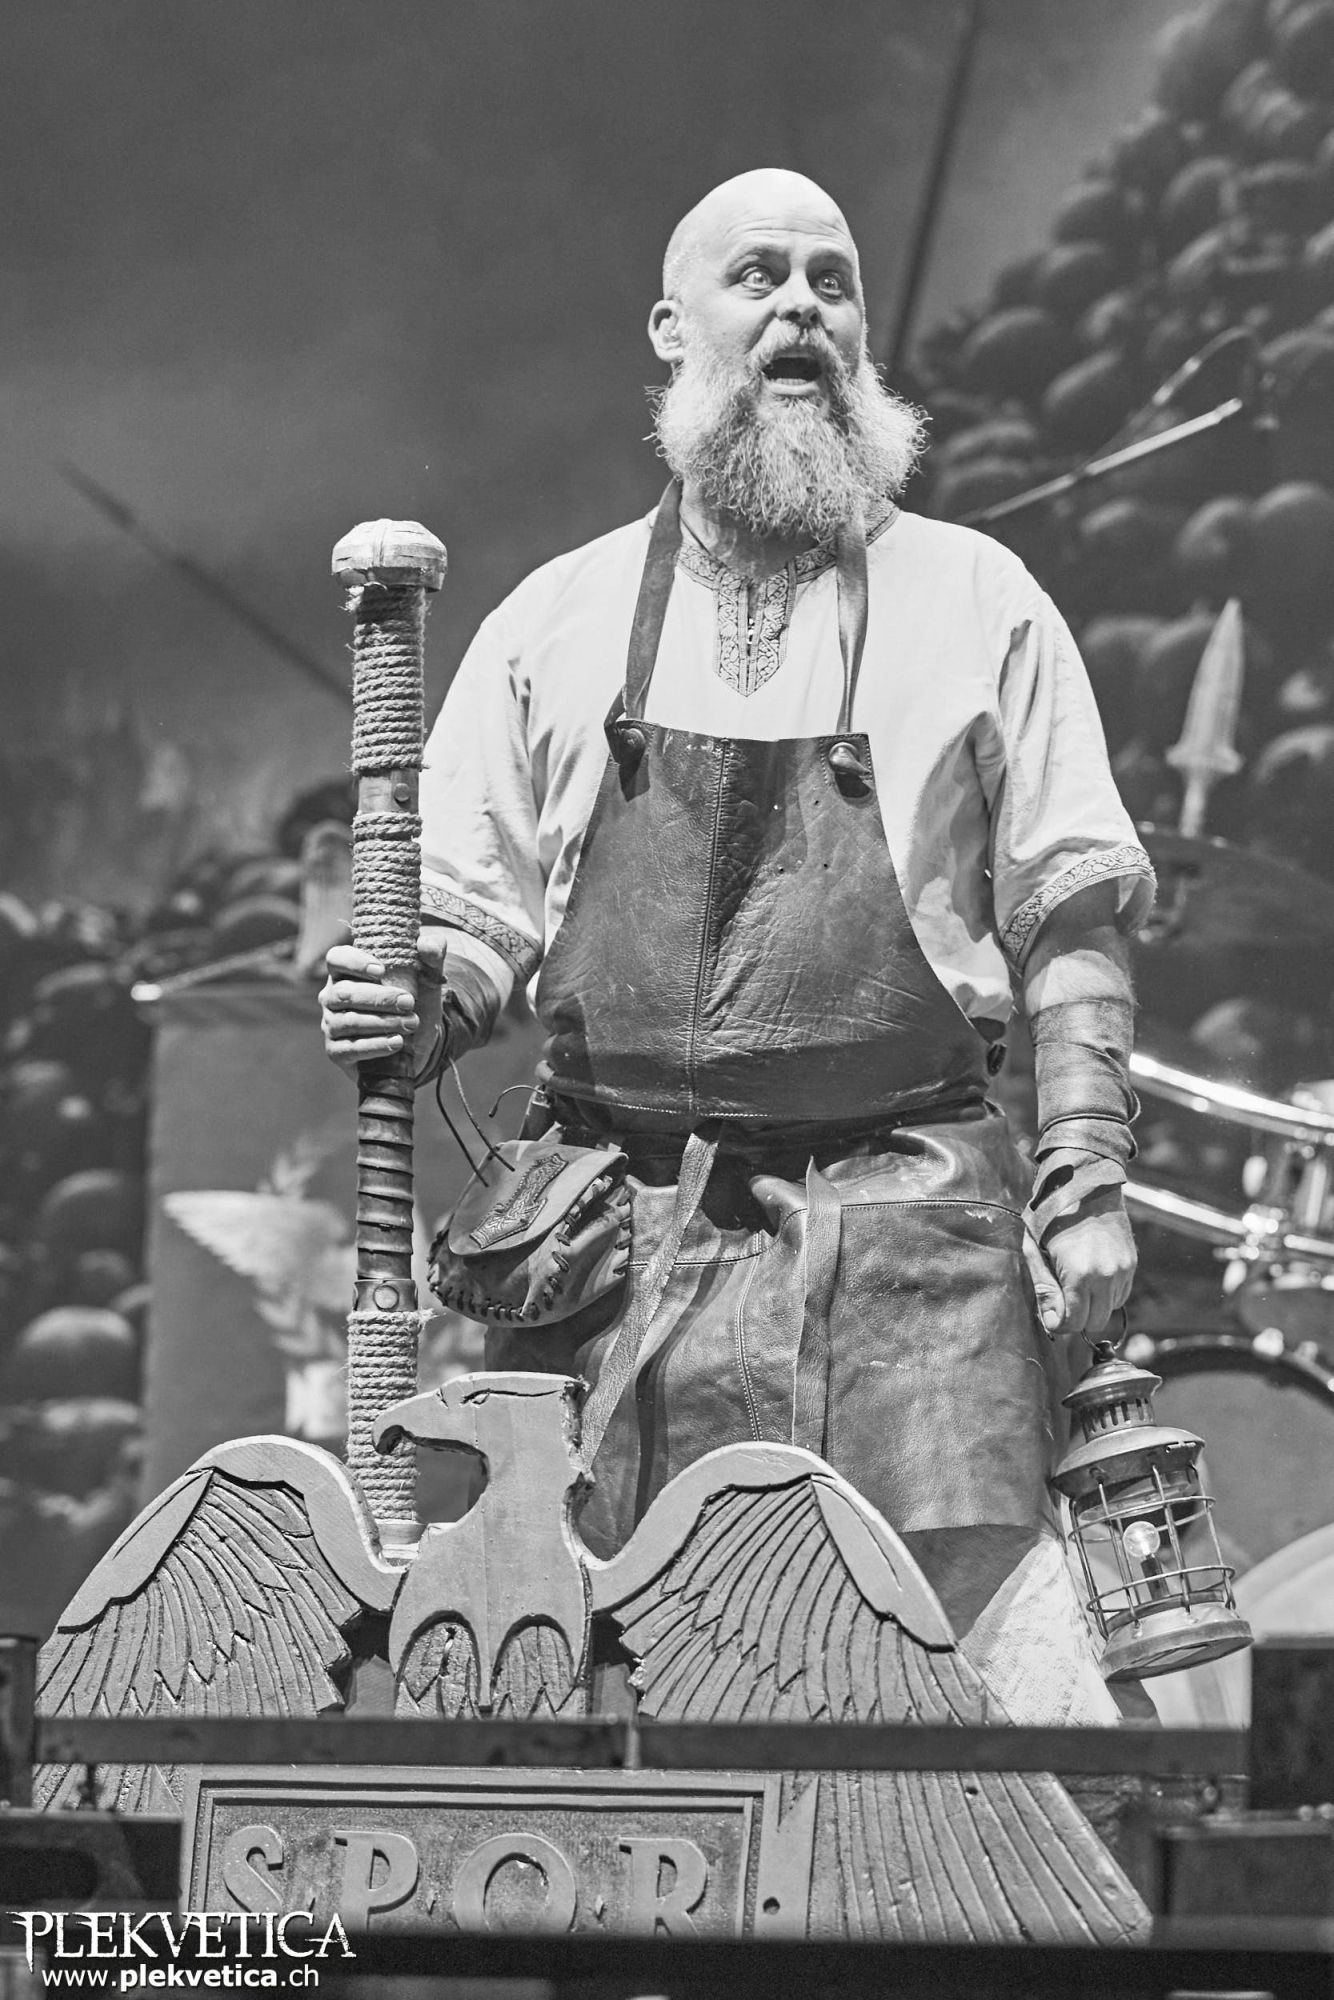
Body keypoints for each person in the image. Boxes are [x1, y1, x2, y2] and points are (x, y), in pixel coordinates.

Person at [321, 169, 1154, 1724]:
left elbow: (1072, 912)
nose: (800, 311)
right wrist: (410, 998)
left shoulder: (979, 599)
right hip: (609, 1243)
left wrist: (1088, 1180)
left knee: (999, 1699)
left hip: (910, 1239)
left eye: (831, 283)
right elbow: (469, 921)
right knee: (583, 1699)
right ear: (671, 327)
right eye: (757, 277)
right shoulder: (552, 620)